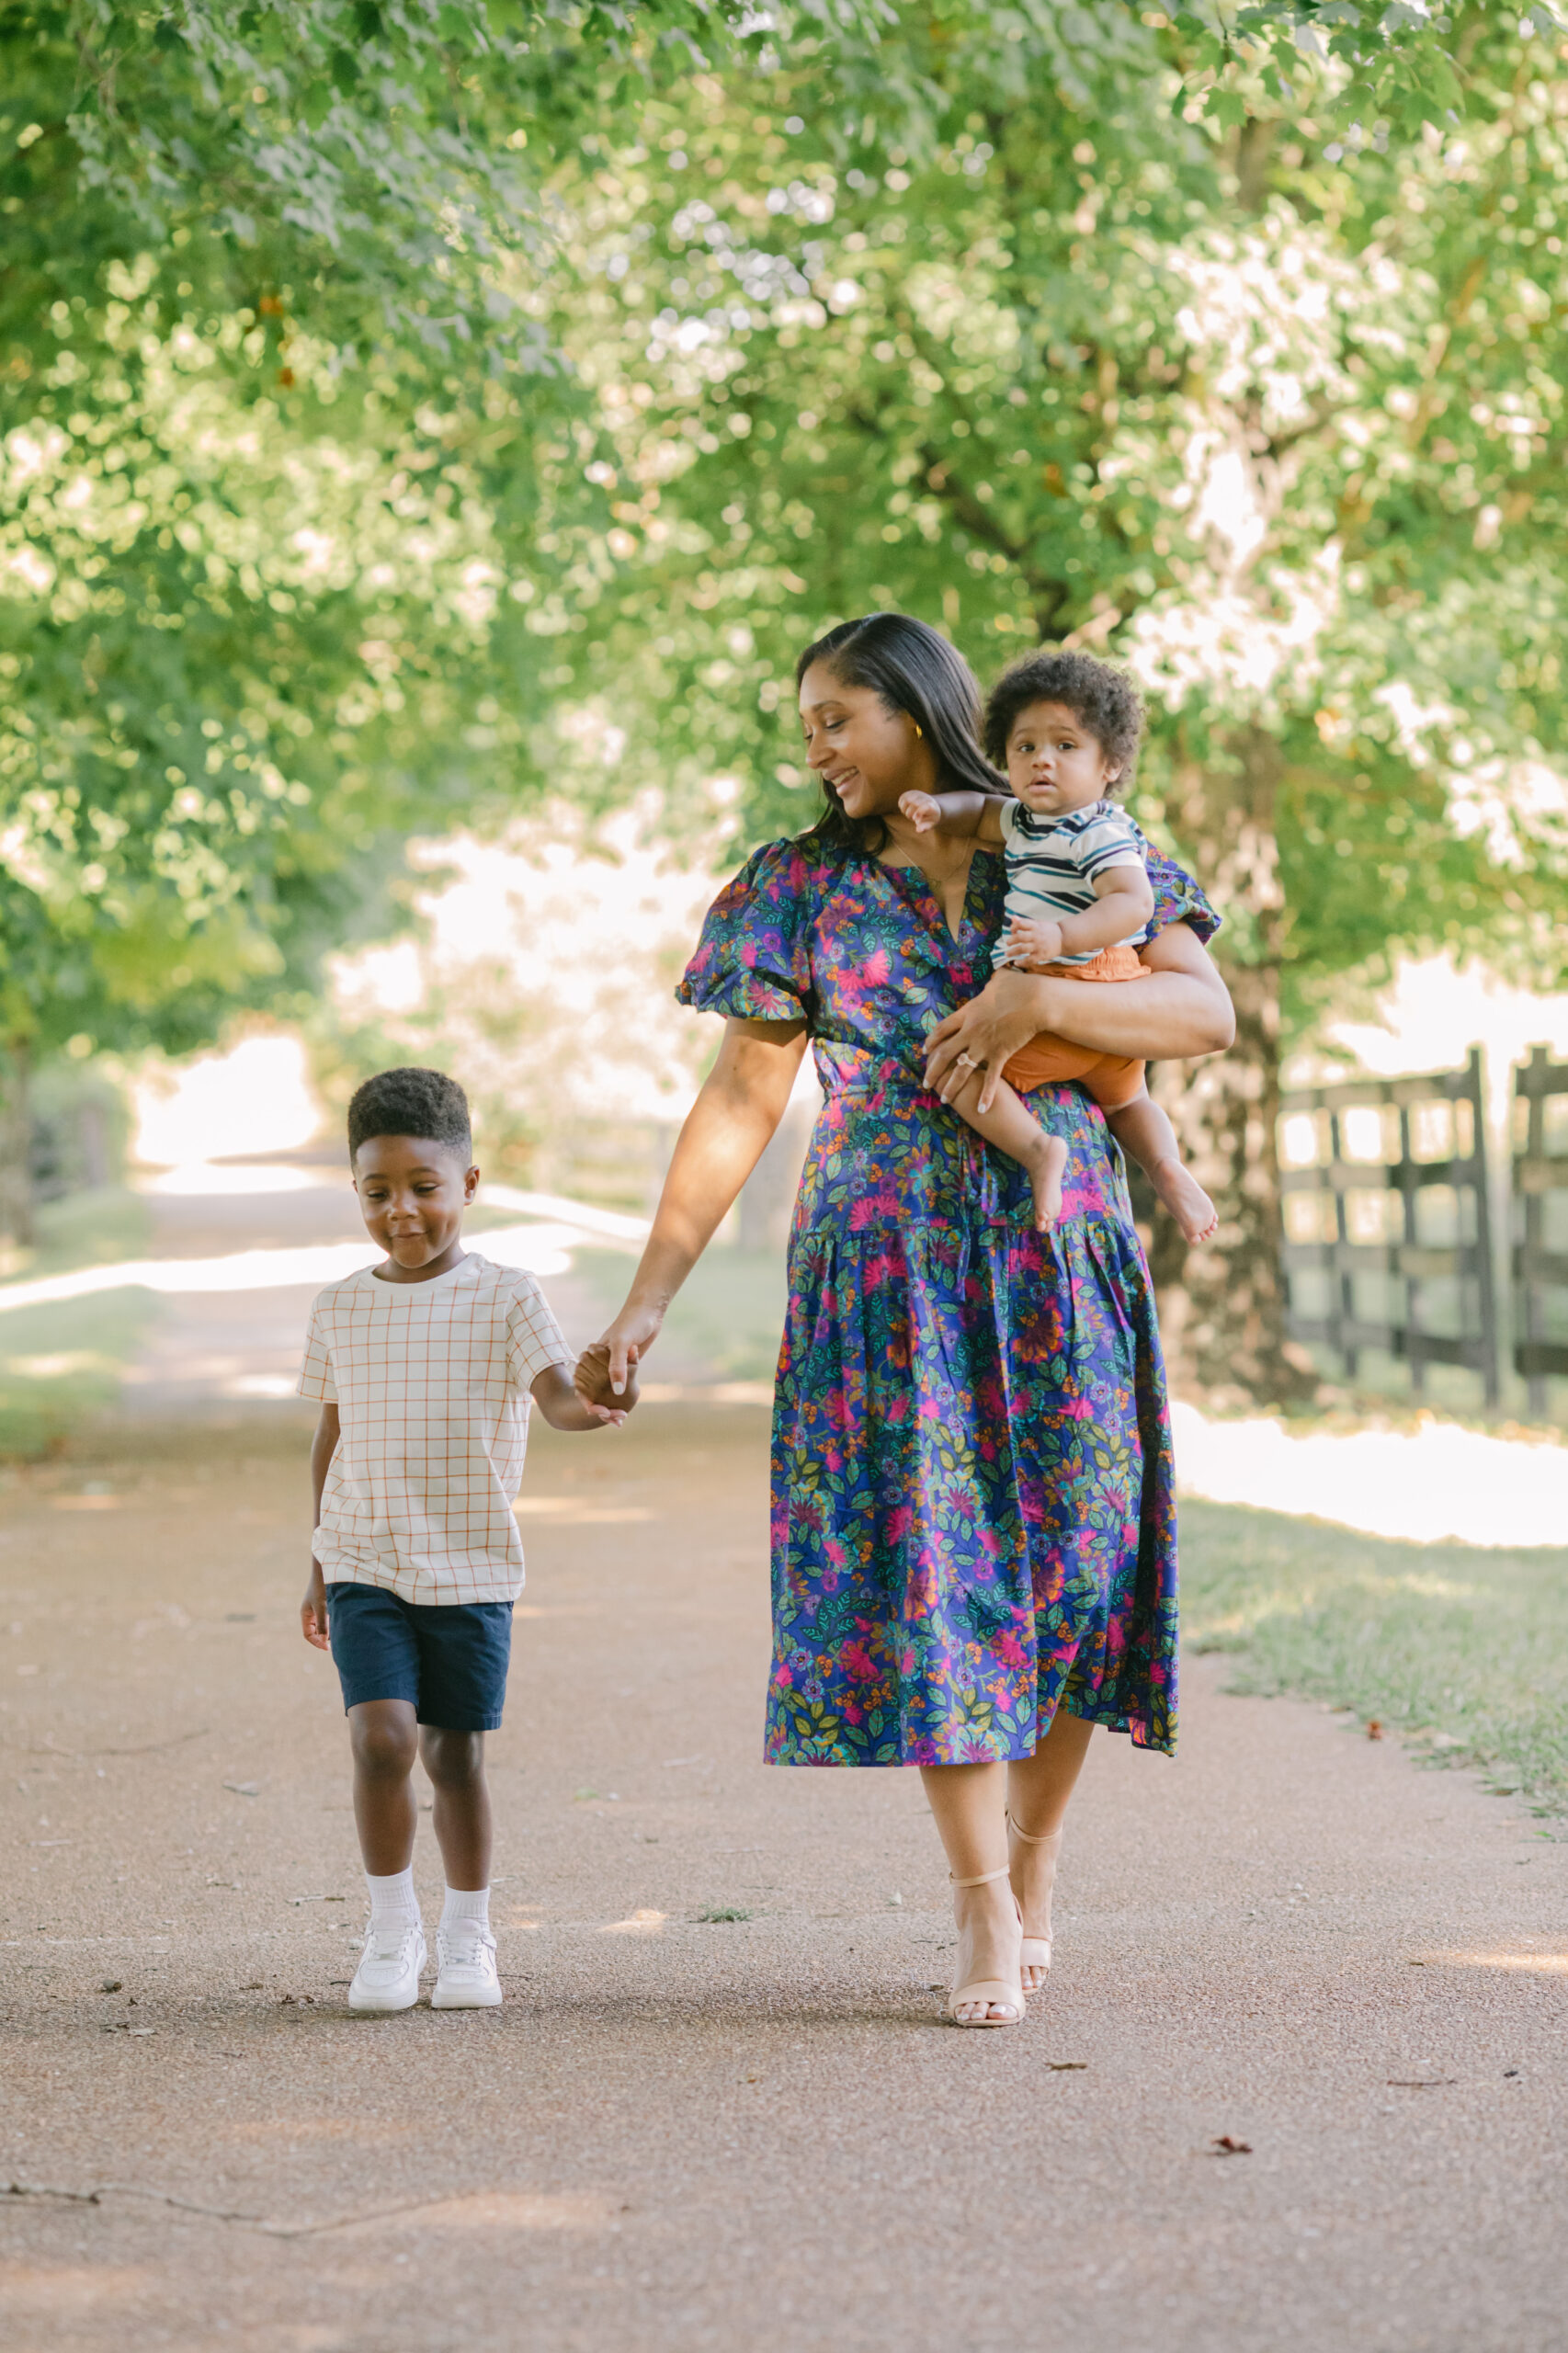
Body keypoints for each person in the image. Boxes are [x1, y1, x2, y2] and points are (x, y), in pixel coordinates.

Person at [575, 612, 1233, 2029]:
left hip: (1061, 1259)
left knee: (1087, 1564)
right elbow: (742, 1102)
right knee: (940, 1577)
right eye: (805, 723)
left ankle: (1040, 1859)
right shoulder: (794, 889)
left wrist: (1031, 996)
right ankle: (982, 1908)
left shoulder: (1068, 839)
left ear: (916, 711)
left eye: (837, 717)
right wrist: (644, 1302)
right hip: (887, 1277)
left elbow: (1201, 1015)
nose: (814, 747)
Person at [299, 1066, 637, 2016]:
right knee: (381, 1739)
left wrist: (601, 1396)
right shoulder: (340, 1306)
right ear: (357, 1191)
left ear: (468, 1186)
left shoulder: (506, 1297)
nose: (401, 1211)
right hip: (365, 1557)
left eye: (422, 1187)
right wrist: (319, 1561)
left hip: (470, 1564)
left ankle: (465, 1932)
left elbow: (559, 1401)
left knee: (453, 1758)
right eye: (377, 1191)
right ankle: (390, 1929)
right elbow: (333, 1435)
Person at [898, 649, 1218, 1243]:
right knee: (1127, 1104)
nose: (1042, 759)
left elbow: (1133, 903)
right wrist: (938, 809)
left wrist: (1061, 937)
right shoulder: (1024, 820)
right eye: (1025, 747)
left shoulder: (1097, 829)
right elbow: (979, 813)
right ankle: (1166, 1168)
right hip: (1109, 1016)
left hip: (1083, 981)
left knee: (956, 1070)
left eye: (1065, 746)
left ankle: (1040, 1151)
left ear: (1110, 765)